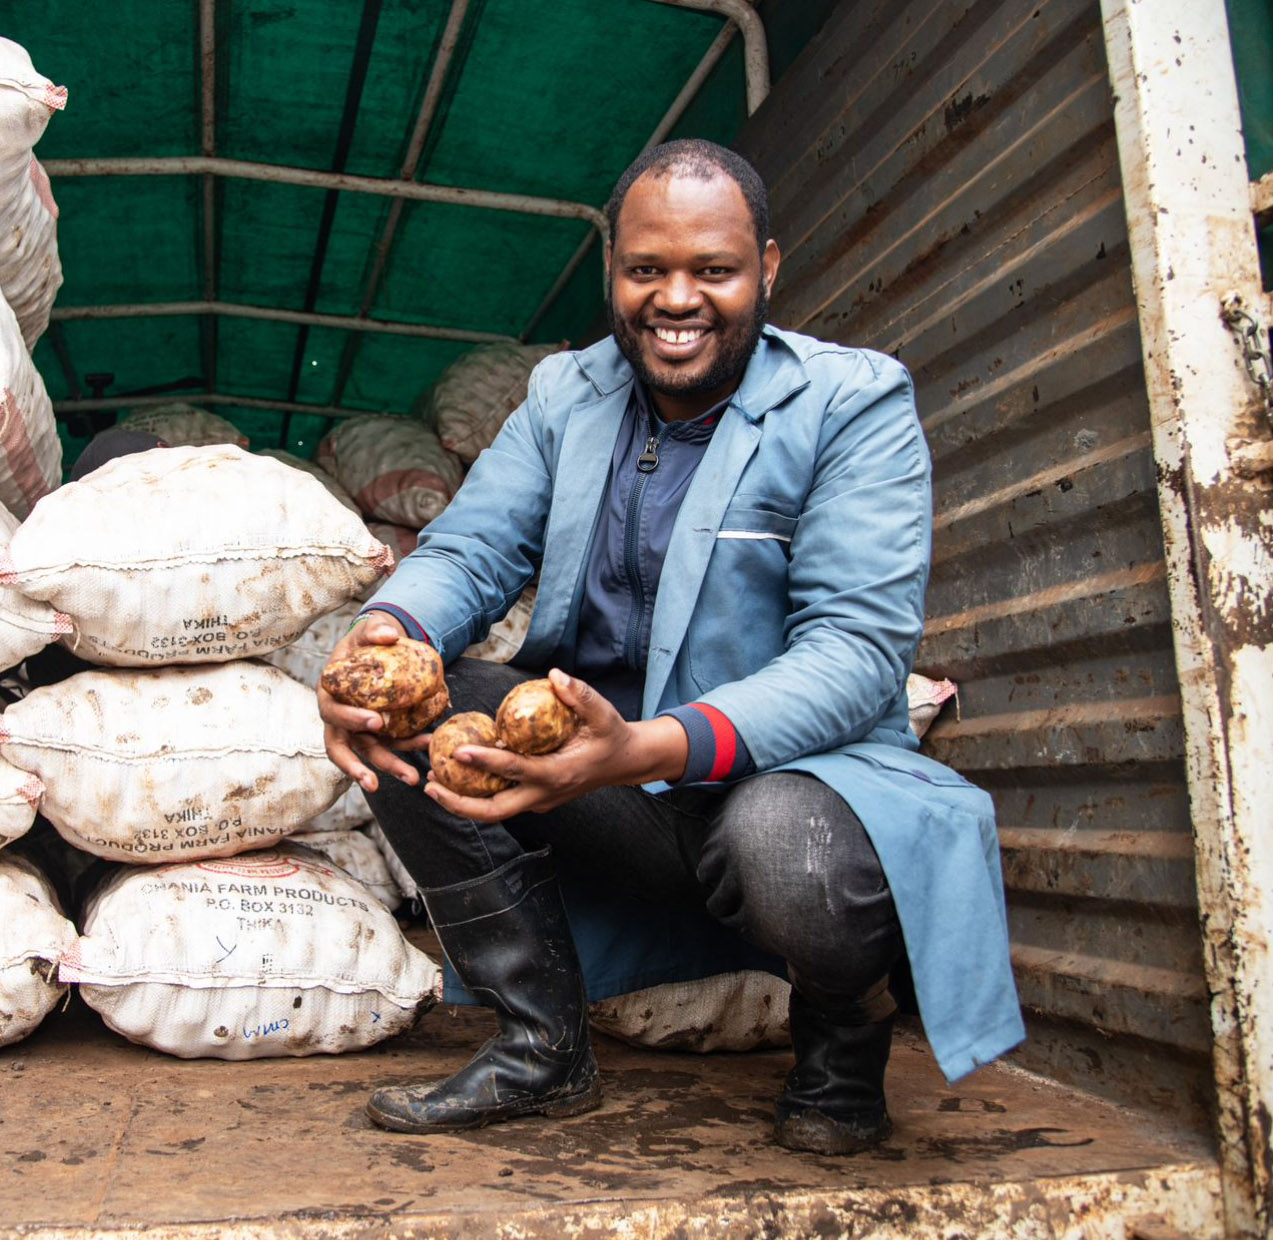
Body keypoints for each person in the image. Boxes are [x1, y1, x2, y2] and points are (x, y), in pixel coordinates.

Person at [316, 139, 1023, 1155]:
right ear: (615, 274)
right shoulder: (567, 396)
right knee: (412, 723)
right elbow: (471, 548)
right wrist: (389, 638)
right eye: (647, 270)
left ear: (768, 270)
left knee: (791, 847)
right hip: (616, 794)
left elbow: (857, 653)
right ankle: (541, 1047)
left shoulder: (850, 403)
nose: (676, 299)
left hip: (792, 787)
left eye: (714, 271)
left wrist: (649, 747)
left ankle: (845, 1022)